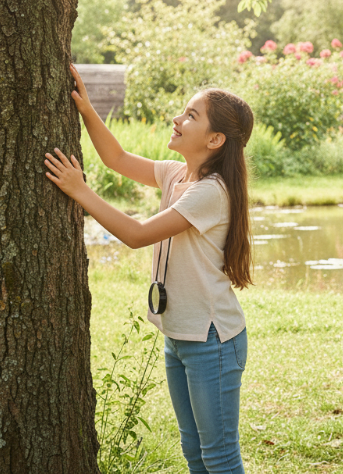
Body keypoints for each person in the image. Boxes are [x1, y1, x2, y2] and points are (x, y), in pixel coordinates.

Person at [45, 64, 253, 474]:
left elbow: (138, 234)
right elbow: (117, 158)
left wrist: (79, 189)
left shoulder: (210, 192)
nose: (177, 119)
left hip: (211, 340)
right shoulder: (177, 174)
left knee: (220, 456)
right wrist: (87, 110)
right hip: (179, 334)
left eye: (191, 116)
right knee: (194, 451)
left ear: (215, 140)